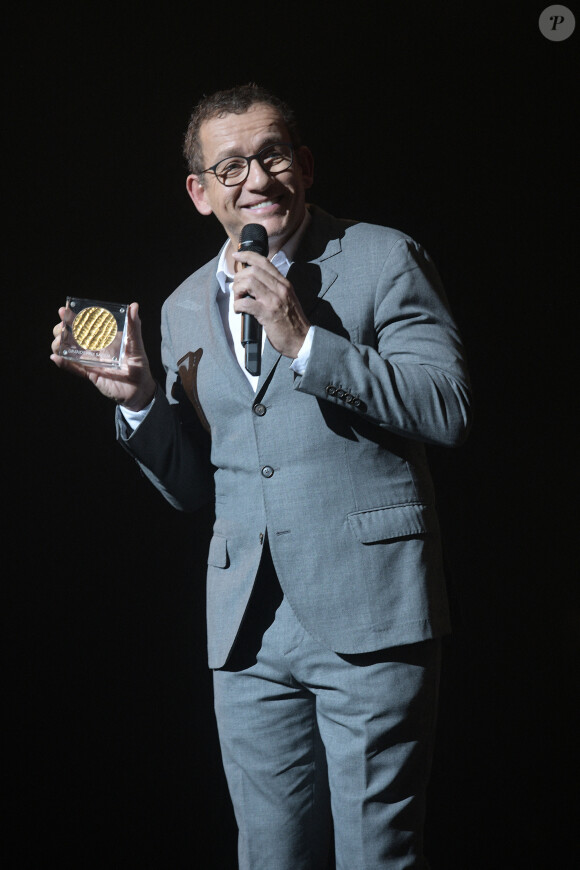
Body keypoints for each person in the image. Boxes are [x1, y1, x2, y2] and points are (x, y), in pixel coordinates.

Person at [51, 83, 472, 869]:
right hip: (247, 631)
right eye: (231, 165)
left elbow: (446, 407)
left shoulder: (383, 256)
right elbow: (196, 489)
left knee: (377, 853)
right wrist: (140, 403)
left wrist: (305, 341)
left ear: (305, 165)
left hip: (371, 612)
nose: (257, 178)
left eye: (273, 154)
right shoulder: (179, 308)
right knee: (269, 856)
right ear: (200, 192)